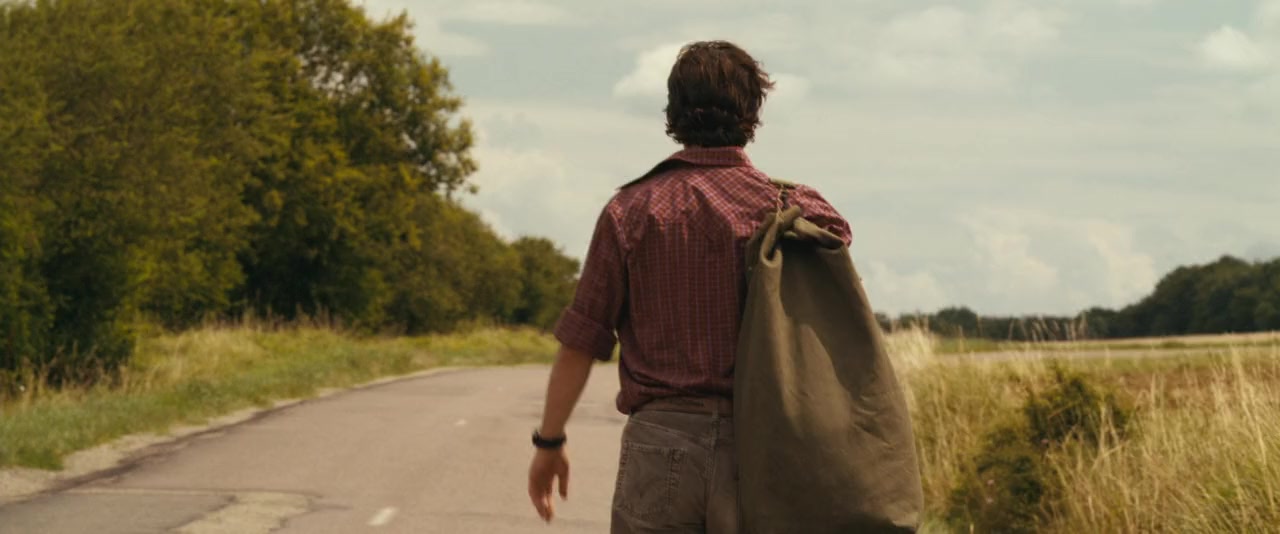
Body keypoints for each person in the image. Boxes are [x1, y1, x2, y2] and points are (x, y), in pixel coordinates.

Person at [526, 40, 852, 533]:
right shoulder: (794, 208)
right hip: (763, 444)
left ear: (673, 112)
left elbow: (582, 338)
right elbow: (838, 243)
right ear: (753, 112)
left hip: (660, 443)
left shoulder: (629, 211)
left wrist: (549, 442)